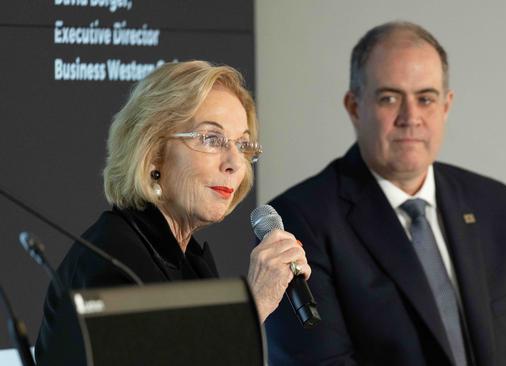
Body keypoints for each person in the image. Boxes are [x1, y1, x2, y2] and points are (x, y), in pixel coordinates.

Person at [265, 22, 506, 365]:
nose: (410, 117)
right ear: (354, 107)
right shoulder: (300, 221)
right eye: (389, 98)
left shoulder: (497, 206)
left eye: (425, 99)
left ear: (446, 106)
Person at [34, 60, 310, 365]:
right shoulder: (112, 260)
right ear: (154, 154)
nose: (235, 162)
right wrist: (255, 303)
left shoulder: (188, 260)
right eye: (211, 139)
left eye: (243, 145)